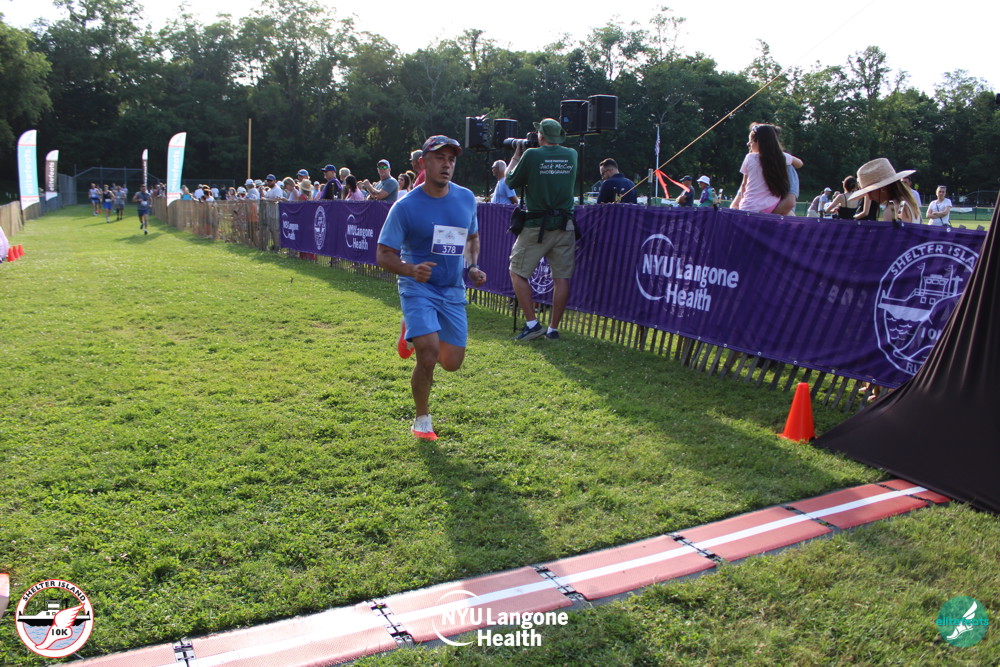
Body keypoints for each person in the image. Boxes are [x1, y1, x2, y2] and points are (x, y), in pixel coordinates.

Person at [376, 135, 486, 440]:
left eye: (451, 159)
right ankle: (422, 419)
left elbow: (472, 238)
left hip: (451, 289)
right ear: (423, 162)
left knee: (452, 362)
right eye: (440, 158)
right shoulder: (405, 206)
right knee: (428, 354)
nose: (446, 165)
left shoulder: (466, 198)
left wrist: (472, 266)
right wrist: (410, 269)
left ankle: (409, 329)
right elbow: (383, 254)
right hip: (417, 287)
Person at [505, 117, 578, 341]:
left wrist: (516, 156)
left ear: (541, 135)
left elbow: (509, 180)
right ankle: (553, 329)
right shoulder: (572, 155)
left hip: (537, 226)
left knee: (517, 271)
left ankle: (532, 324)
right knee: (561, 278)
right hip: (565, 225)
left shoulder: (532, 155)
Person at [731, 123, 801, 215]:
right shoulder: (782, 158)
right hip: (769, 206)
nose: (748, 144)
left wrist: (739, 203)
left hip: (746, 207)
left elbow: (744, 184)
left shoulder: (749, 158)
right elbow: (800, 163)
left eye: (751, 141)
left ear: (759, 142)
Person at [848, 158, 922, 224]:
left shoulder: (891, 209)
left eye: (870, 192)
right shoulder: (910, 203)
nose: (869, 197)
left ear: (882, 188)